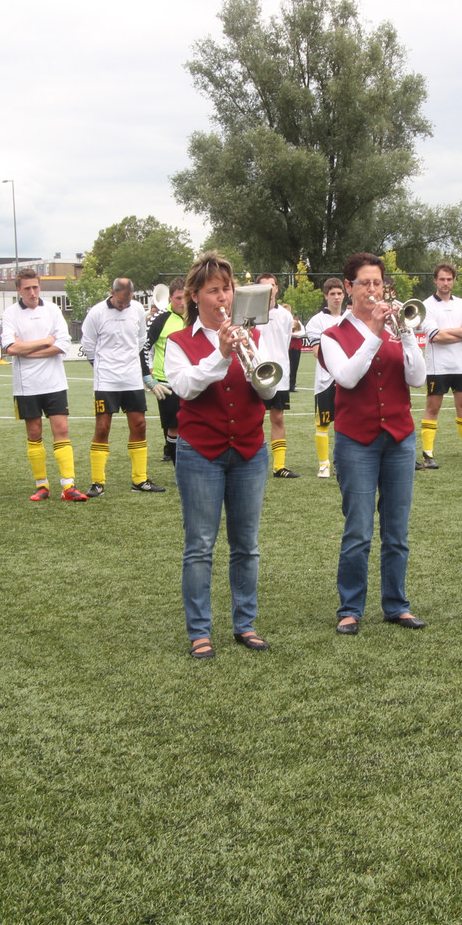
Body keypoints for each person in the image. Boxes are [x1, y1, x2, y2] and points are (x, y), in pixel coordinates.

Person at [165, 251, 279, 658]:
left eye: (227, 289)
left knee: (246, 544)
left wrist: (253, 362)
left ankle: (245, 624)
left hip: (249, 449)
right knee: (199, 545)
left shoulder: (255, 335)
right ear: (194, 296)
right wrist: (222, 353)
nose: (223, 298)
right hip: (200, 452)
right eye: (213, 290)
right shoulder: (179, 342)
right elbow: (185, 387)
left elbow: (269, 390)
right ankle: (200, 631)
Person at [319, 252, 428, 634]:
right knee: (359, 530)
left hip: (399, 437)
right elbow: (347, 378)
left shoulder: (397, 327)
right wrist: (376, 334)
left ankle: (397, 605)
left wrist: (407, 336)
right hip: (356, 440)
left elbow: (417, 379)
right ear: (349, 288)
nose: (372, 290)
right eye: (364, 283)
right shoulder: (332, 335)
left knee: (397, 530)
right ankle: (350, 608)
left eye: (377, 283)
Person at [1, 268, 86, 502]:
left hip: (54, 383)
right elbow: (11, 348)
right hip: (26, 385)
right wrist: (47, 341)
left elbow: (63, 344)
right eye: (27, 288)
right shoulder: (10, 313)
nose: (32, 292)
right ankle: (42, 486)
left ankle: (68, 485)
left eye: (35, 287)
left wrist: (28, 350)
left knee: (62, 430)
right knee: (34, 432)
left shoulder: (53, 309)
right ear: (19, 290)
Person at [80, 278, 159, 495]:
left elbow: (141, 339)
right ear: (112, 293)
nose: (124, 306)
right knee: (102, 428)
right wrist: (103, 367)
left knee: (139, 425)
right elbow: (88, 345)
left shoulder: (137, 310)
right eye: (121, 302)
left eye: (128, 302)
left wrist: (133, 366)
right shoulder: (96, 313)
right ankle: (98, 482)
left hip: (132, 378)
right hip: (106, 380)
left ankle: (140, 480)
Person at [418, 262, 462, 468]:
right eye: (442, 279)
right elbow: (435, 336)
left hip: (461, 366)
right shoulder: (426, 305)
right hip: (438, 368)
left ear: (453, 281)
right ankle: (428, 455)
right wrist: (461, 333)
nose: (446, 283)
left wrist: (448, 333)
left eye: (449, 279)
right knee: (432, 408)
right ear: (435, 280)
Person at [253, 273, 299, 479]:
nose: (269, 290)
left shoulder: (285, 316)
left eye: (272, 285)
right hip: (254, 374)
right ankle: (252, 462)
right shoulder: (251, 315)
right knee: (253, 418)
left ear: (277, 288)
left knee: (278, 418)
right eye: (264, 286)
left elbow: (285, 342)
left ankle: (279, 466)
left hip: (279, 374)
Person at [305, 278, 347, 477]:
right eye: (332, 294)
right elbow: (317, 351)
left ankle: (341, 463)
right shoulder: (316, 321)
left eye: (339, 293)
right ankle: (324, 464)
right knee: (323, 422)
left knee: (345, 422)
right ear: (326, 296)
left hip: (348, 378)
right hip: (325, 380)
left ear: (344, 295)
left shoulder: (351, 317)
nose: (336, 297)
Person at [141, 278, 187, 464]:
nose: (182, 302)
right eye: (178, 298)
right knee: (174, 427)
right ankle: (178, 469)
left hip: (194, 380)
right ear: (170, 298)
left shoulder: (198, 315)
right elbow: (142, 348)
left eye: (185, 297)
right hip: (167, 383)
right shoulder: (159, 319)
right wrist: (148, 377)